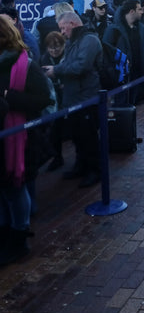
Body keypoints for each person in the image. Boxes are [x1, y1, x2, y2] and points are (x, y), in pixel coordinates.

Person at [0, 15, 52, 265]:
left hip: (18, 141)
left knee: (14, 188)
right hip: (4, 138)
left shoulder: (25, 65)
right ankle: (6, 232)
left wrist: (10, 97)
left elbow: (43, 99)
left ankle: (19, 236)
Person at [43, 12, 103, 188]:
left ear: (72, 24)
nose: (61, 32)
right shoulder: (74, 41)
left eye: (63, 27)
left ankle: (94, 170)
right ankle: (81, 165)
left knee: (88, 136)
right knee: (78, 136)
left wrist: (57, 70)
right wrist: (57, 69)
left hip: (86, 96)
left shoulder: (89, 40)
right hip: (75, 96)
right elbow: (71, 64)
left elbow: (80, 66)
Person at [104, 0, 144, 105]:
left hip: (137, 74)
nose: (142, 11)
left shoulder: (141, 29)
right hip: (120, 77)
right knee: (120, 106)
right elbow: (107, 54)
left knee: (131, 105)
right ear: (131, 11)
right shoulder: (114, 30)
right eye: (139, 9)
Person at [40, 31, 66, 171]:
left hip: (67, 96)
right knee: (54, 129)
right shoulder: (44, 59)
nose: (54, 51)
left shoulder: (68, 56)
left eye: (57, 47)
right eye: (51, 48)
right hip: (54, 98)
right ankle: (57, 156)